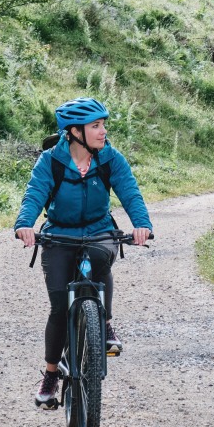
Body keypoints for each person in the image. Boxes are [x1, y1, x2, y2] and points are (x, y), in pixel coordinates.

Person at [14, 97, 152, 409]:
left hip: (98, 228)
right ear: (75, 132)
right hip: (59, 233)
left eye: (103, 125)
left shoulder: (109, 158)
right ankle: (50, 375)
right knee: (60, 307)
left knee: (102, 257)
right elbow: (34, 194)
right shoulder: (51, 161)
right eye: (96, 126)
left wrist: (142, 225)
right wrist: (25, 225)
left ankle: (103, 324)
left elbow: (129, 191)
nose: (103, 131)